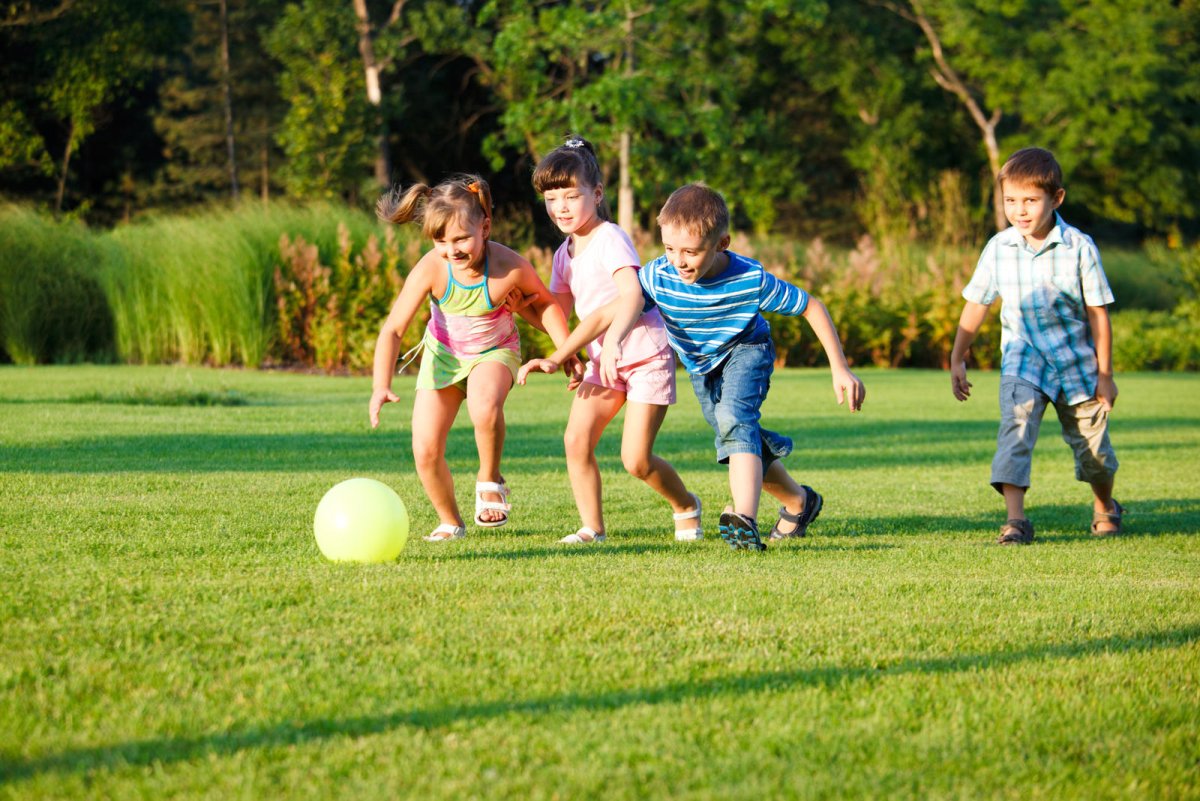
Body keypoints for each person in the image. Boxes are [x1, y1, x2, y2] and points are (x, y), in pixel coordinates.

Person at [520, 183, 865, 551]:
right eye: (669, 249)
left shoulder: (750, 279)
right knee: (738, 436)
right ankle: (799, 501)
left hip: (746, 350)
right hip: (702, 367)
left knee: (734, 419)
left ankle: (744, 520)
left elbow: (811, 306)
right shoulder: (660, 275)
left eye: (691, 251)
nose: (679, 261)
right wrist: (560, 355)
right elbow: (609, 311)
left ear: (722, 243)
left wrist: (840, 368)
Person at [370, 174, 578, 542]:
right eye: (441, 241)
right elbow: (393, 330)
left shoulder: (508, 266)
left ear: (485, 226)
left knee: (483, 406)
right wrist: (380, 385)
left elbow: (545, 305)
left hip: (494, 353)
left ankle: (489, 478)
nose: (453, 250)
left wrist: (566, 352)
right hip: (444, 358)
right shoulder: (433, 268)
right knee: (425, 449)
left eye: (462, 238)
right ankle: (450, 521)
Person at [525, 135, 700, 545]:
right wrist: (528, 319)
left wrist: (615, 340)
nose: (561, 207)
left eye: (571, 196)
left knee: (635, 460)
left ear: (597, 193)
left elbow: (632, 294)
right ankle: (592, 528)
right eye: (552, 199)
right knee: (576, 439)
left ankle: (686, 504)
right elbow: (558, 314)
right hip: (603, 360)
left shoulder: (610, 238)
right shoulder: (563, 254)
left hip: (643, 355)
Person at [950, 147, 1122, 545]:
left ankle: (1105, 505)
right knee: (1016, 429)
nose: (1020, 210)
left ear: (1056, 198)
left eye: (1030, 200)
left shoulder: (1079, 247)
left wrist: (1106, 374)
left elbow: (1098, 314)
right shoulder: (999, 247)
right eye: (1011, 200)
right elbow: (977, 303)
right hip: (1023, 360)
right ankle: (1016, 521)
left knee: (1094, 454)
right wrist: (958, 356)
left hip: (1076, 365)